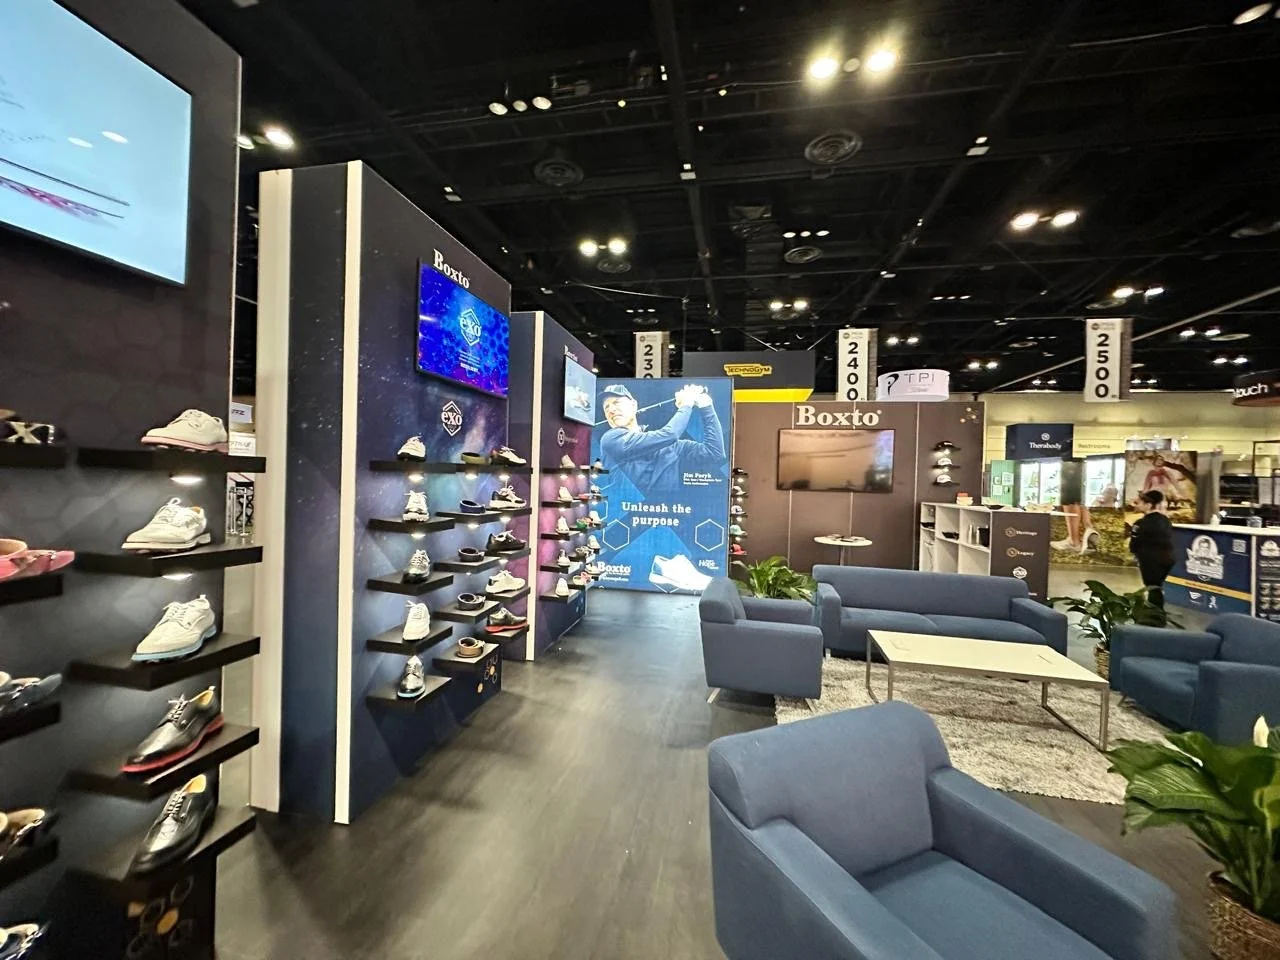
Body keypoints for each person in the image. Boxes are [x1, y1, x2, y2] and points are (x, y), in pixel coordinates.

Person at [599, 383, 725, 496]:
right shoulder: (610, 439)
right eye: (606, 407)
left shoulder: (669, 445)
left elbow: (714, 453)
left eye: (616, 402)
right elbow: (671, 434)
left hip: (669, 514)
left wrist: (706, 407)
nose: (611, 410)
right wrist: (686, 404)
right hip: (628, 517)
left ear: (634, 405)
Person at [1129, 489, 1176, 608]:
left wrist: (1136, 554)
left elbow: (1134, 544)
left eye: (1140, 502)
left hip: (1151, 559)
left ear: (1148, 505)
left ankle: (1155, 616)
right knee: (1157, 586)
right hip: (1168, 558)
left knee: (1153, 588)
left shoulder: (1140, 523)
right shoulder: (1165, 520)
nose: (1137, 505)